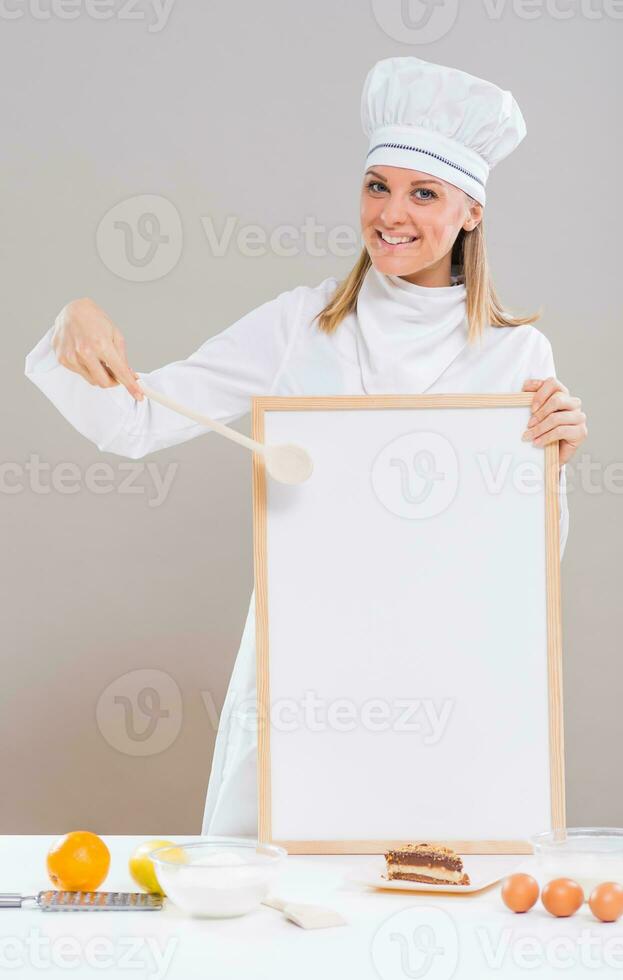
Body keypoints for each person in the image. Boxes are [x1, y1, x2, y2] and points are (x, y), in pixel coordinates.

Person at [24, 57, 588, 837]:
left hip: (444, 685)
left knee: (424, 917)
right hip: (304, 678)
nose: (392, 213)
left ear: (472, 212)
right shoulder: (300, 325)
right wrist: (71, 321)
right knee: (267, 915)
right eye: (377, 186)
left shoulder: (518, 359)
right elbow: (137, 420)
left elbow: (525, 576)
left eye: (423, 192)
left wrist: (552, 468)